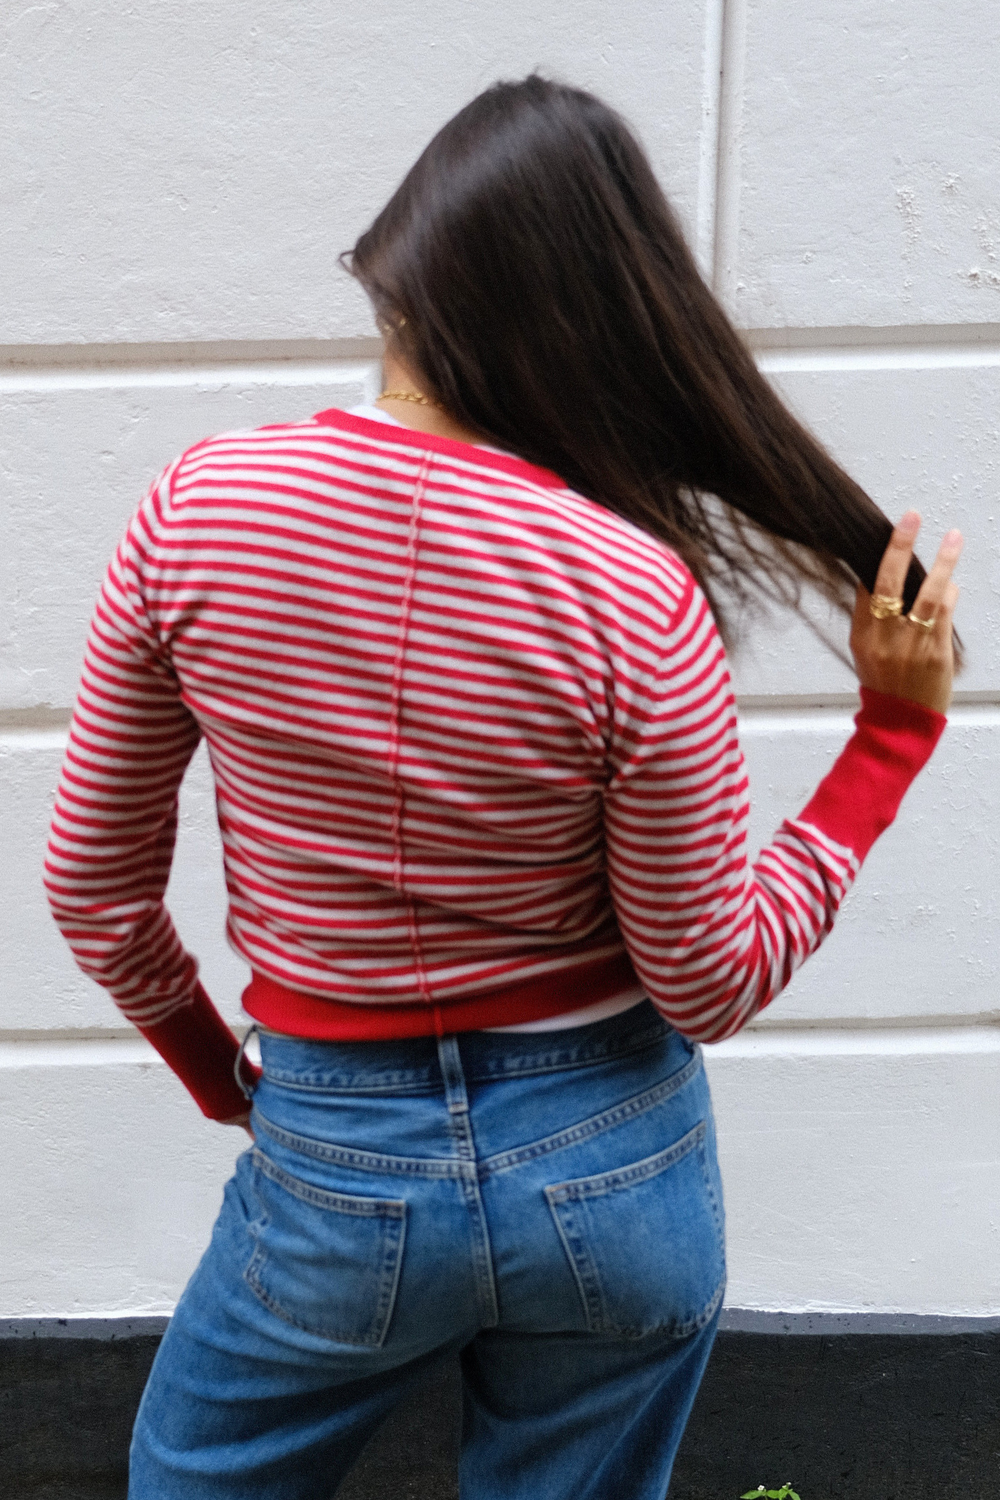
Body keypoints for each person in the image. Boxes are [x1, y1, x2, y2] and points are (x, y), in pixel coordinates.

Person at [45, 75, 962, 1500]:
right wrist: (891, 740)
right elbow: (706, 978)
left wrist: (219, 1073)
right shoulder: (632, 591)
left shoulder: (198, 515)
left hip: (334, 1156)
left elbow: (93, 894)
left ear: (402, 284)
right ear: (602, 327)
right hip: (616, 1174)